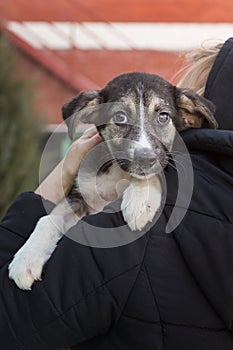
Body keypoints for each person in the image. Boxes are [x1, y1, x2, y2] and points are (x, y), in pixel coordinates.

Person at [0, 37, 233, 350]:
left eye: (163, 116)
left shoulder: (127, 241)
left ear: (193, 115)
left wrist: (56, 182)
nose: (144, 147)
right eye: (121, 119)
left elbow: (8, 318)